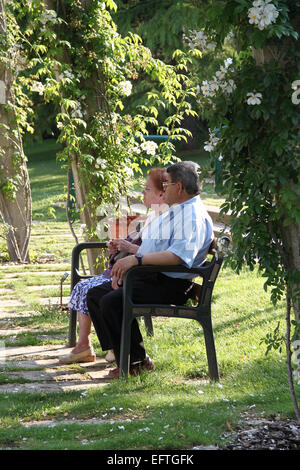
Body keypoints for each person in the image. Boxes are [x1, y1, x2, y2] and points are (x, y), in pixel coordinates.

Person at [86, 161, 214, 377]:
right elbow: (159, 248)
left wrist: (136, 262)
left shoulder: (192, 215)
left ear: (180, 187)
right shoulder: (180, 210)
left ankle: (133, 362)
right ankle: (129, 357)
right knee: (96, 294)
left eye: (168, 185)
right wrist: (127, 267)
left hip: (170, 285)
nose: (164, 190)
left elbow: (177, 257)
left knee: (110, 301)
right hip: (153, 277)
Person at [59, 168, 167, 365]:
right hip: (130, 270)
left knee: (91, 290)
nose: (142, 192)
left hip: (139, 273)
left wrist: (127, 249)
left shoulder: (165, 217)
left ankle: (114, 351)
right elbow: (140, 243)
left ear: (161, 193)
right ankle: (92, 346)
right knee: (85, 289)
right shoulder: (153, 215)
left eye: (147, 189)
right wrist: (119, 247)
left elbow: (151, 253)